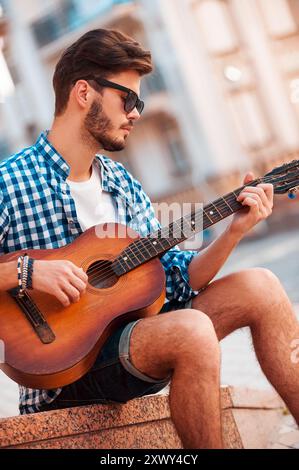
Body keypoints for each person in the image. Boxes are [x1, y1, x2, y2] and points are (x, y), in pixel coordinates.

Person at [0, 28, 298, 449]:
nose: (137, 112)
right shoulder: (10, 182)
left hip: (136, 343)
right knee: (191, 329)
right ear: (84, 93)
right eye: (129, 99)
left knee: (262, 286)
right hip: (61, 373)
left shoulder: (123, 186)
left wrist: (234, 231)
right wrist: (28, 272)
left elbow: (180, 280)